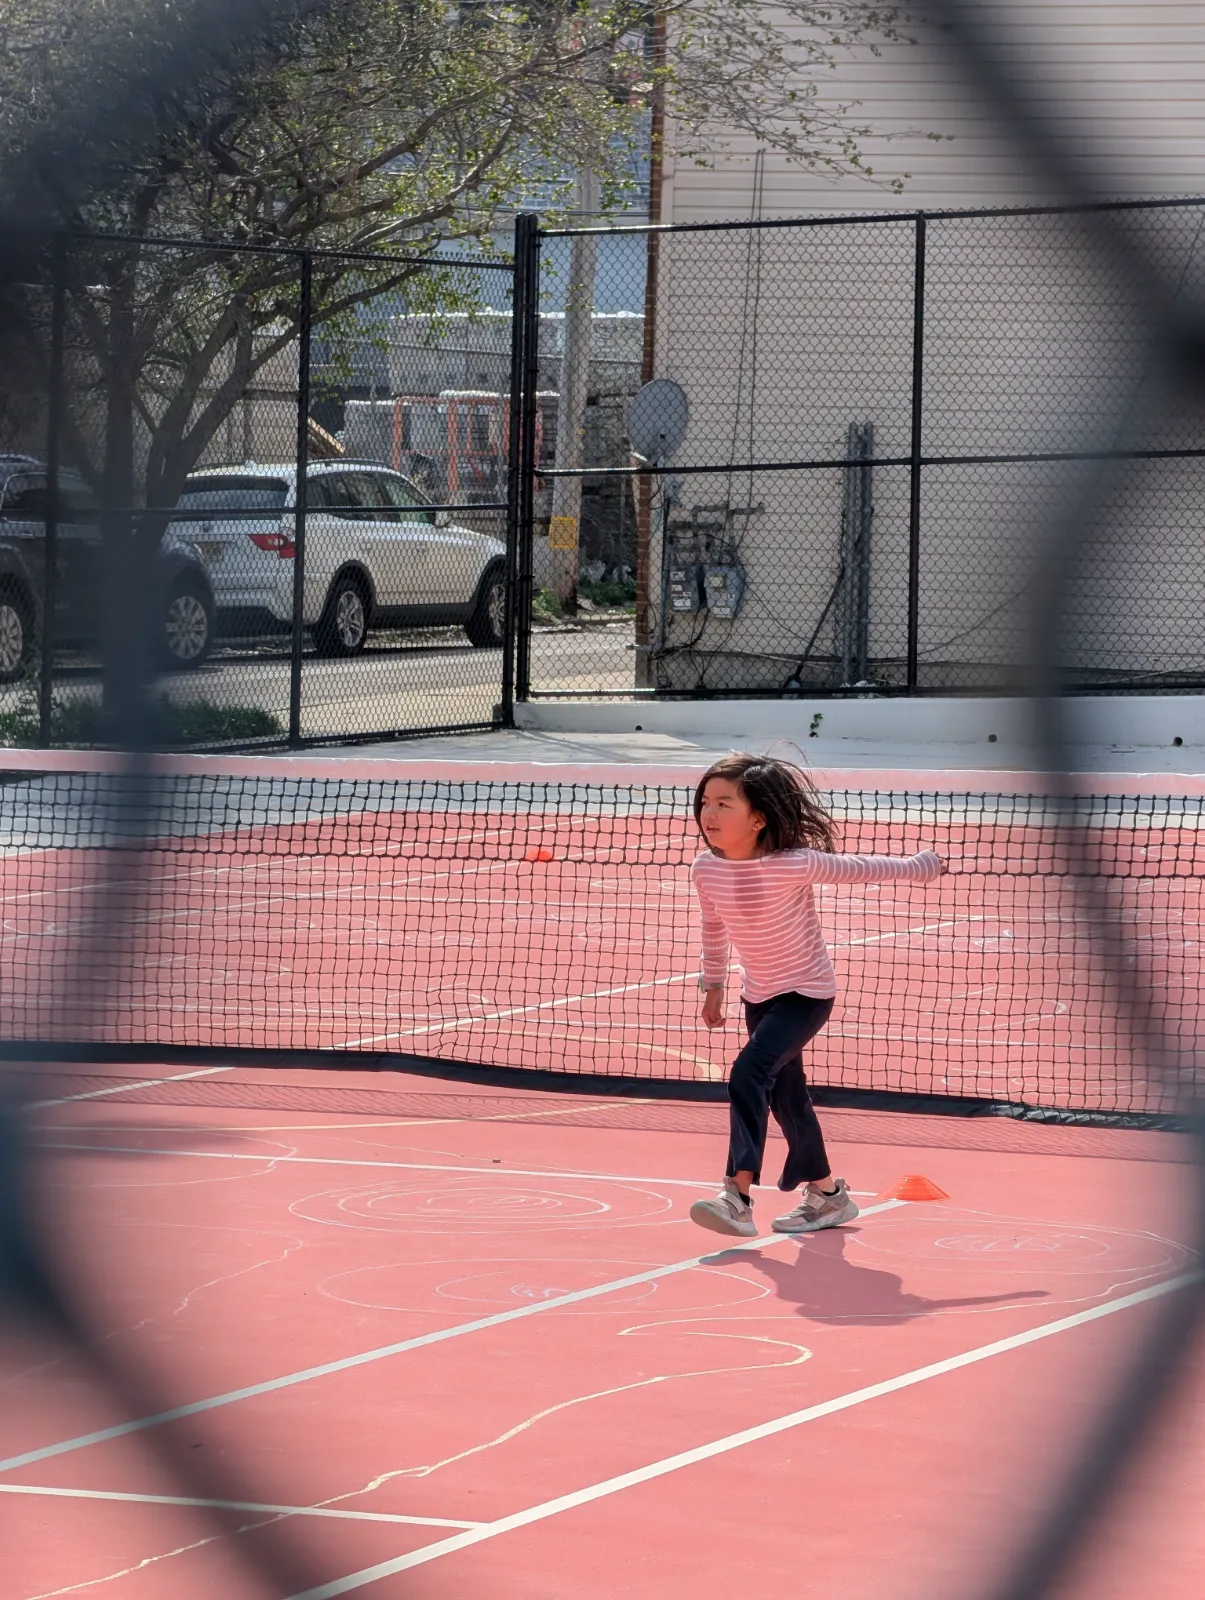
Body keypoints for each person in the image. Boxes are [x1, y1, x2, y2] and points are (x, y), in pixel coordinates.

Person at [688, 753, 944, 1239]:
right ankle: (827, 1195)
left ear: (759, 817)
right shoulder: (707, 869)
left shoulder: (794, 864)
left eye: (724, 803)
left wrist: (918, 866)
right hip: (758, 997)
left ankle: (736, 1196)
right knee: (787, 1099)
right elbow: (713, 928)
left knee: (748, 1071)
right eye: (705, 802)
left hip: (807, 994)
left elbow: (863, 868)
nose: (710, 814)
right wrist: (714, 987)